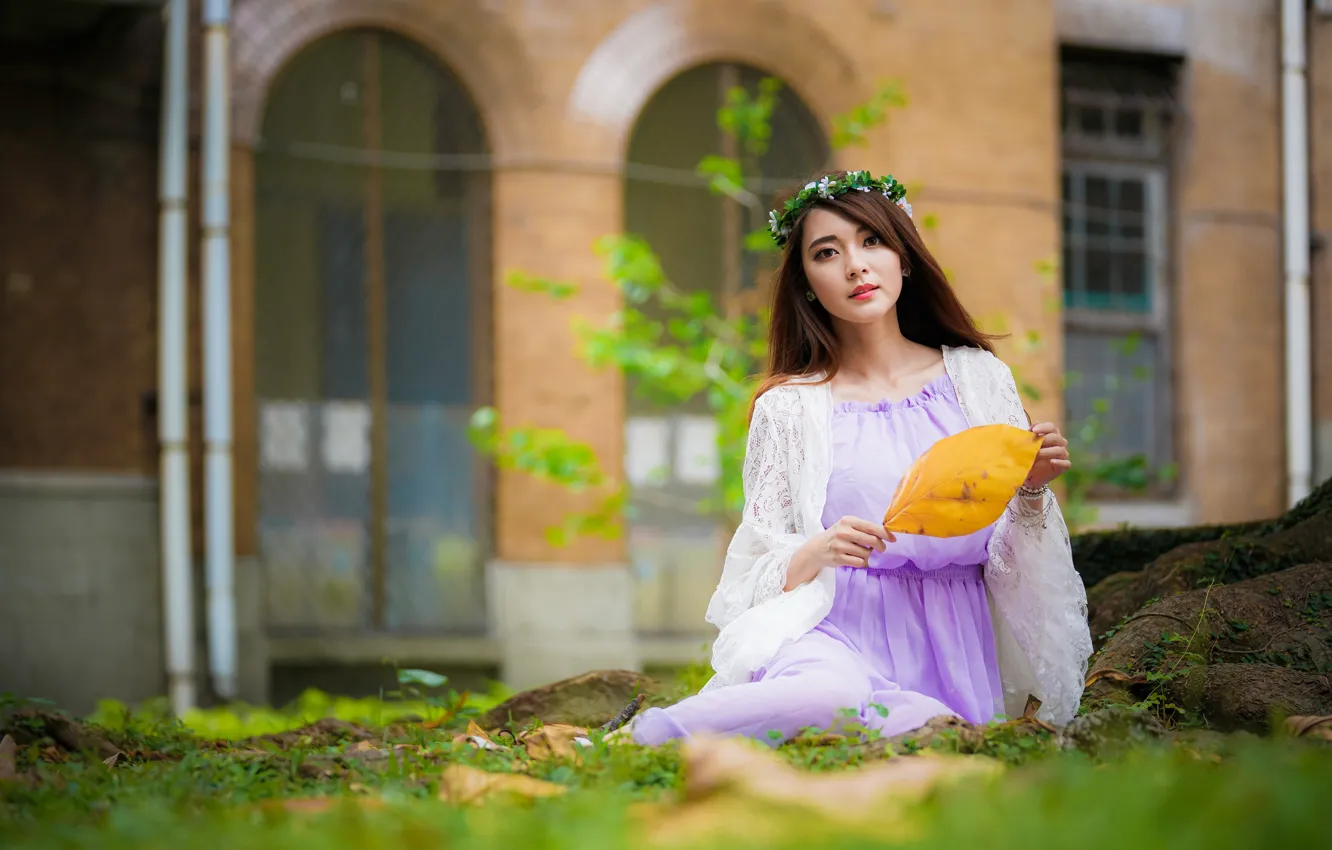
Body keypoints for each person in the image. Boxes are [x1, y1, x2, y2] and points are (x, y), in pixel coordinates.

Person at [621, 171, 1093, 747]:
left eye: (872, 241)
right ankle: (632, 740)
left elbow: (1015, 561)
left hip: (953, 636)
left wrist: (1030, 487)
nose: (855, 265)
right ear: (808, 284)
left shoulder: (978, 377)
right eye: (827, 252)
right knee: (830, 697)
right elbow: (755, 563)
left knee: (923, 732)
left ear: (905, 257)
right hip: (834, 626)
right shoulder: (788, 409)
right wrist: (815, 549)